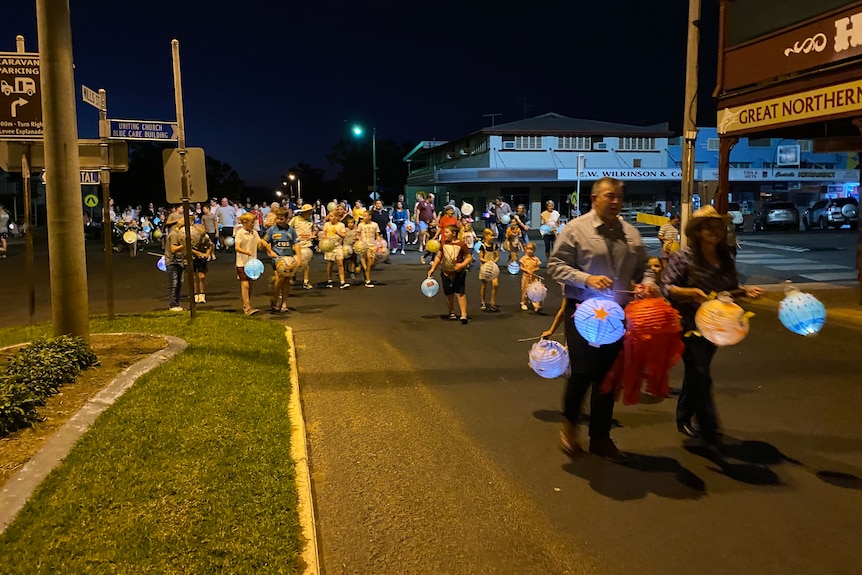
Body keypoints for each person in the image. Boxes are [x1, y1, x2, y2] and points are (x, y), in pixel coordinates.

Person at [548, 177, 652, 463]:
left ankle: (601, 438)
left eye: (619, 197)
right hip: (582, 310)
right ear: (594, 198)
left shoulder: (631, 234)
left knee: (609, 378)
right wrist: (587, 278)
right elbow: (555, 266)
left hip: (617, 316)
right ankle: (569, 426)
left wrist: (647, 283)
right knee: (582, 373)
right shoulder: (575, 229)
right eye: (610, 196)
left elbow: (646, 268)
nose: (616, 201)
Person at [662, 205, 764, 447]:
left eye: (718, 226)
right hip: (688, 326)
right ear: (697, 232)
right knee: (700, 374)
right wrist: (691, 292)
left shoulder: (725, 258)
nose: (714, 231)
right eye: (707, 226)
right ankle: (709, 430)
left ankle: (684, 415)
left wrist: (744, 292)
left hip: (717, 328)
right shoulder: (683, 257)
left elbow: (728, 292)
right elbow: (667, 287)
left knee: (697, 372)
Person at [428, 224, 472, 324]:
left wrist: (461, 265)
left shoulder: (461, 245)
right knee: (449, 293)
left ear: (454, 233)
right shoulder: (443, 244)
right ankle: (451, 312)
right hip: (446, 272)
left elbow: (469, 257)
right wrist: (433, 268)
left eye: (447, 232)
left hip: (458, 273)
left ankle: (463, 314)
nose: (444, 234)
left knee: (460, 293)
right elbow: (439, 257)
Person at [235, 212, 275, 315]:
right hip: (242, 263)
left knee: (250, 285)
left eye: (253, 222)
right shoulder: (240, 233)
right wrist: (246, 252)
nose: (253, 224)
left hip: (252, 263)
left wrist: (269, 250)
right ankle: (247, 308)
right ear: (244, 222)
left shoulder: (254, 233)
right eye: (251, 222)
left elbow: (261, 242)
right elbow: (237, 247)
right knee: (245, 285)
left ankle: (246, 304)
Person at [263, 208, 301, 313]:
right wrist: (270, 251)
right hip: (277, 258)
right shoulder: (272, 230)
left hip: (289, 259)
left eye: (282, 219)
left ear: (287, 219)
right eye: (278, 219)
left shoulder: (291, 230)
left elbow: (296, 243)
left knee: (286, 281)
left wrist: (299, 257)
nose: (279, 221)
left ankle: (284, 303)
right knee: (279, 278)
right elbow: (264, 241)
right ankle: (276, 299)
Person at [163, 212, 187, 312]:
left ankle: (176, 304)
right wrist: (185, 245)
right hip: (172, 262)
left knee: (179, 284)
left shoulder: (178, 235)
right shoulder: (174, 235)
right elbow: (173, 249)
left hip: (179, 261)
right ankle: (173, 305)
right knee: (174, 283)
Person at [290, 204, 316, 289]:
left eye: (311, 211)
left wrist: (313, 235)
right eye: (308, 211)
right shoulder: (295, 219)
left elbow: (314, 230)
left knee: (306, 263)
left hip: (307, 244)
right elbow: (288, 228)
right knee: (295, 261)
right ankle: (292, 275)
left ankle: (306, 281)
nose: (310, 213)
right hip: (297, 244)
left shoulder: (311, 220)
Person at [322, 211, 349, 289]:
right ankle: (329, 280)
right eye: (330, 216)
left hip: (338, 246)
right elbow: (324, 234)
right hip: (329, 247)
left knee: (340, 264)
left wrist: (338, 233)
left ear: (337, 217)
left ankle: (342, 282)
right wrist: (324, 237)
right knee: (330, 264)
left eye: (332, 216)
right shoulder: (327, 225)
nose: (331, 218)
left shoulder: (341, 225)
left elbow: (344, 235)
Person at [477, 228, 500, 312]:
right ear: (486, 236)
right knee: (484, 285)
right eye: (491, 235)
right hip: (485, 268)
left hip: (493, 268)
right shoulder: (482, 246)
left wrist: (494, 262)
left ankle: (492, 301)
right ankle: (483, 301)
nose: (492, 237)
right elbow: (481, 258)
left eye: (493, 235)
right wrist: (488, 261)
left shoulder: (494, 246)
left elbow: (497, 256)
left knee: (495, 284)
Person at [191, 223, 214, 303]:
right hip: (191, 258)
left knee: (202, 276)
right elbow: (186, 247)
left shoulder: (205, 237)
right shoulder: (190, 237)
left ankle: (201, 294)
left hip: (201, 258)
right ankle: (194, 294)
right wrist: (196, 253)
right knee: (193, 277)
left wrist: (207, 254)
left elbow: (210, 246)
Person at [356, 210, 380, 287]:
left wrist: (380, 241)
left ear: (370, 216)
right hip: (364, 246)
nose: (364, 217)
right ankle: (368, 281)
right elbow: (357, 234)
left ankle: (365, 271)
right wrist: (358, 239)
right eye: (363, 216)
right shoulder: (361, 225)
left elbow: (377, 235)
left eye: (365, 216)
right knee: (369, 262)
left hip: (372, 246)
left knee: (372, 263)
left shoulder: (375, 225)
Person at [519, 241, 542, 312]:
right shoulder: (523, 259)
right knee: (525, 290)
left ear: (534, 250)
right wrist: (526, 270)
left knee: (535, 290)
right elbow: (521, 267)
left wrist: (534, 270)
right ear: (525, 249)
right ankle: (523, 302)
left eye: (531, 249)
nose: (529, 251)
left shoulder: (536, 259)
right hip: (526, 277)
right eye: (528, 249)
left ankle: (536, 304)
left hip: (534, 278)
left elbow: (538, 267)